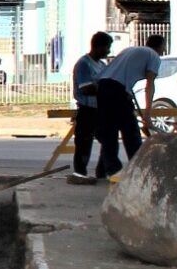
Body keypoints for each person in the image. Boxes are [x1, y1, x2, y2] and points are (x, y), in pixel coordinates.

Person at [91, 31, 167, 179]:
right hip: (117, 90)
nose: (163, 51)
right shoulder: (154, 56)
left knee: (109, 131)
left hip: (103, 87)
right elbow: (149, 85)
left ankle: (105, 170)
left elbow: (118, 74)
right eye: (163, 48)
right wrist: (147, 114)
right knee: (130, 131)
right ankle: (137, 170)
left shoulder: (130, 50)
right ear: (160, 47)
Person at [68, 30, 114, 184]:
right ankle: (80, 174)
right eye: (107, 47)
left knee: (108, 140)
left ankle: (102, 172)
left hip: (101, 109)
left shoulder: (102, 65)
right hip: (88, 109)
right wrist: (105, 88)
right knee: (84, 143)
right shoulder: (84, 64)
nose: (108, 51)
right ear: (99, 46)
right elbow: (86, 88)